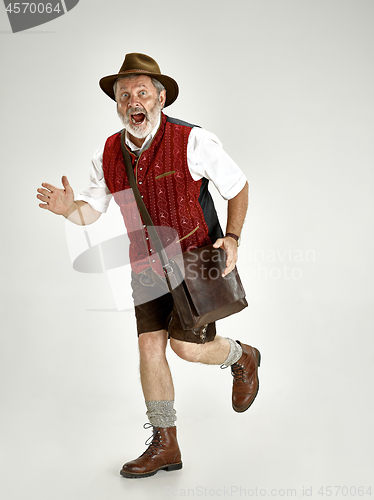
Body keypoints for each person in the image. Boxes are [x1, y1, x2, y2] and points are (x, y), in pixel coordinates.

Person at [37, 53, 261, 479]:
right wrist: (70, 210)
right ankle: (166, 443)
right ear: (118, 105)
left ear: (160, 98)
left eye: (142, 92)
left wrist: (232, 238)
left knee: (187, 348)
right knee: (149, 348)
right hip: (145, 267)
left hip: (195, 261)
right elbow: (92, 211)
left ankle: (242, 356)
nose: (132, 101)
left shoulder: (193, 140)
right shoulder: (108, 151)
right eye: (124, 95)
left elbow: (238, 186)